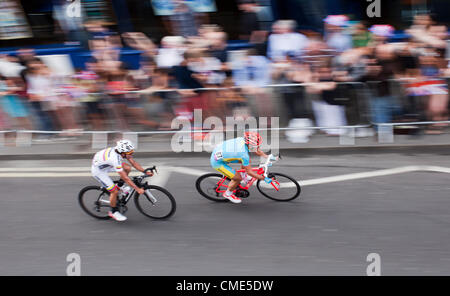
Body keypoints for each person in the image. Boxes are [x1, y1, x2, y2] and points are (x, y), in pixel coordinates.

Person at [91, 139, 153, 221]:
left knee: (127, 168)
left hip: (106, 164)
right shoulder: (115, 159)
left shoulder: (121, 151)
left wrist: (144, 171)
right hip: (99, 171)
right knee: (114, 191)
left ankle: (120, 186)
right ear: (123, 153)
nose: (131, 154)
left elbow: (133, 163)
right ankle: (113, 212)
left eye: (132, 152)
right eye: (129, 153)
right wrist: (137, 189)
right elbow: (125, 178)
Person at [210, 131, 277, 204]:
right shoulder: (243, 154)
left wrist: (267, 156)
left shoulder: (242, 140)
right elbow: (250, 172)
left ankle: (244, 176)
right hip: (217, 163)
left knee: (247, 161)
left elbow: (256, 149)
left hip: (221, 152)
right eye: (256, 145)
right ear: (250, 144)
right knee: (238, 178)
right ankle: (228, 194)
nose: (258, 147)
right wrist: (263, 178)